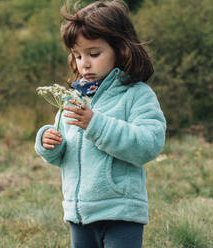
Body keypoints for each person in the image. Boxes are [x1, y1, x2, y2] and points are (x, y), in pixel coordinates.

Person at [34, 1, 166, 247]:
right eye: (77, 55)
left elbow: (149, 144)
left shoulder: (136, 94)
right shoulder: (73, 98)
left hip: (121, 212)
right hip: (79, 214)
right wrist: (48, 143)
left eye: (94, 54)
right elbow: (64, 153)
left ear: (121, 49)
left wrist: (96, 125)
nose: (84, 63)